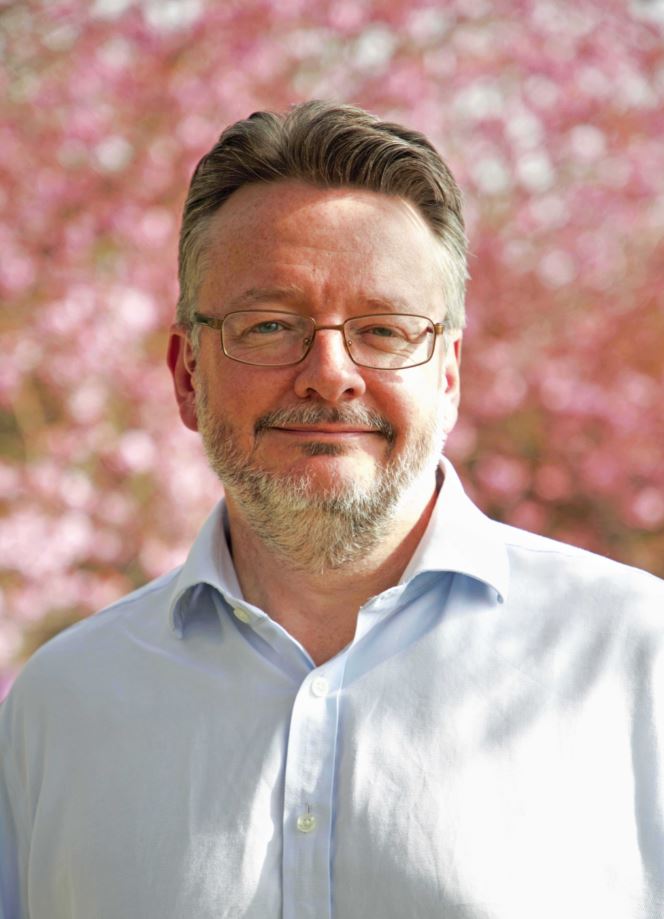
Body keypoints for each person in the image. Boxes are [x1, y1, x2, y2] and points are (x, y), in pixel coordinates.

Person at [1, 100, 663, 919]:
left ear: (448, 375)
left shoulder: (637, 661)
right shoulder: (60, 707)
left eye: (384, 330)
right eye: (270, 325)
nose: (330, 373)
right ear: (186, 374)